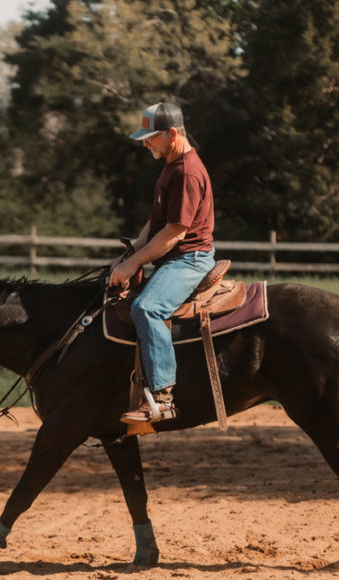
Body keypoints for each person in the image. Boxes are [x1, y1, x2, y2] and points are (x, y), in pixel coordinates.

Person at [108, 102, 216, 424]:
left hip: (189, 260)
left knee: (147, 308)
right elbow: (155, 225)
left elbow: (174, 233)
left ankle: (162, 397)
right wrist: (131, 254)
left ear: (172, 133)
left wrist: (132, 264)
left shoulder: (186, 171)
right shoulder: (172, 163)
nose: (145, 143)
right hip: (176, 256)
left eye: (151, 137)